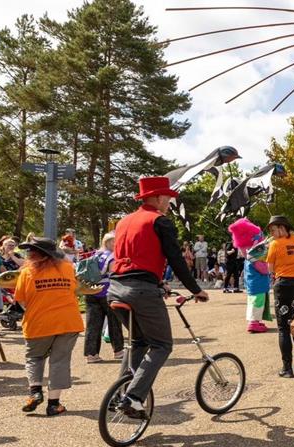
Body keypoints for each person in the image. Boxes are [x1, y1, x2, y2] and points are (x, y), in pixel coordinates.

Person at [109, 176, 208, 419]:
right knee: (162, 345)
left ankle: (118, 395)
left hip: (115, 288)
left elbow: (136, 258)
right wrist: (196, 290)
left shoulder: (123, 222)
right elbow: (177, 260)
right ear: (155, 197)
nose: (169, 203)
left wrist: (159, 282)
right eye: (167, 198)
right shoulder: (159, 221)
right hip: (140, 291)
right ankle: (133, 397)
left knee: (140, 342)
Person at [13, 238, 85, 415]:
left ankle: (35, 392)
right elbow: (74, 289)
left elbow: (21, 299)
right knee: (59, 361)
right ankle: (54, 404)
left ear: (34, 254)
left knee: (35, 358)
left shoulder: (27, 272)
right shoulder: (68, 268)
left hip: (38, 322)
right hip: (68, 321)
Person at [265, 215, 294, 377]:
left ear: (281, 228)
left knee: (284, 328)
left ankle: (287, 368)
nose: (272, 233)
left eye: (273, 230)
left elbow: (270, 269)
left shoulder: (275, 244)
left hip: (285, 285)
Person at [83, 232, 124, 363]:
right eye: (114, 242)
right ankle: (118, 351)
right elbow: (114, 274)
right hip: (107, 291)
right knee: (114, 322)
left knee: (92, 325)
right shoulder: (111, 256)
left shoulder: (95, 254)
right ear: (108, 242)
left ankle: (91, 354)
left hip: (91, 291)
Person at [228, 219, 272, 333]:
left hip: (253, 284)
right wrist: (270, 270)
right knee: (257, 302)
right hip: (258, 283)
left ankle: (256, 321)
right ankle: (253, 323)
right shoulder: (254, 254)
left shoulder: (248, 254)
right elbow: (262, 269)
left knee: (254, 301)